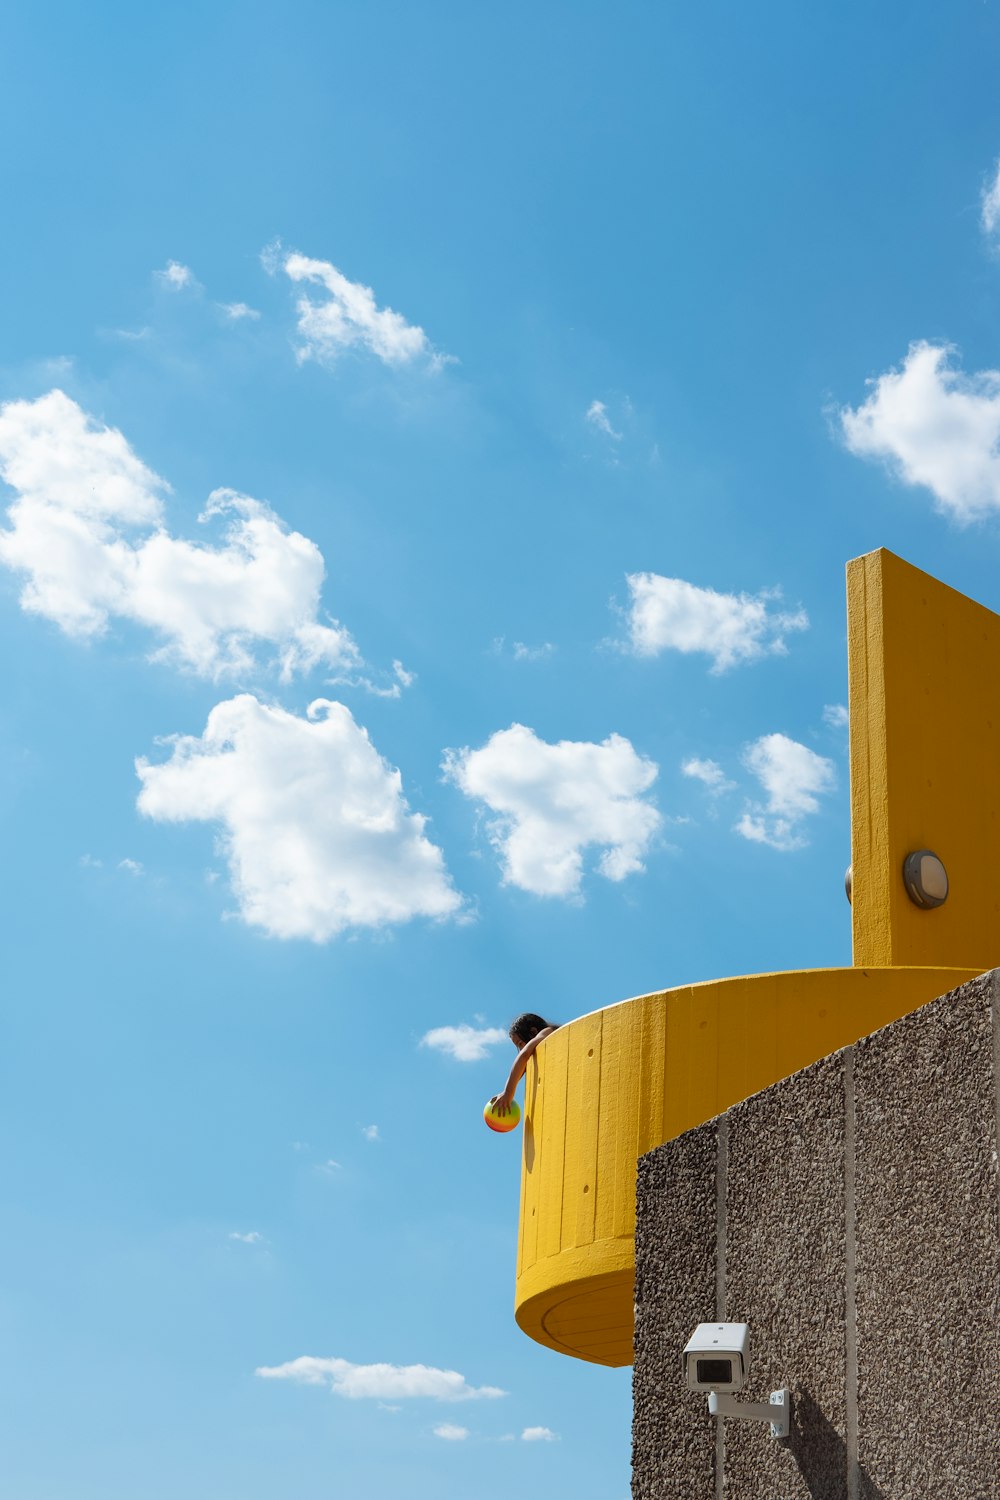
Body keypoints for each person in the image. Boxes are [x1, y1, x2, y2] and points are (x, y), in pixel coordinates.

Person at [490, 1012, 559, 1118]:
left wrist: (508, 1092)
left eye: (520, 1044)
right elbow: (521, 1068)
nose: (521, 1049)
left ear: (533, 1032)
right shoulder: (536, 1054)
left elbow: (524, 1055)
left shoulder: (548, 1031)